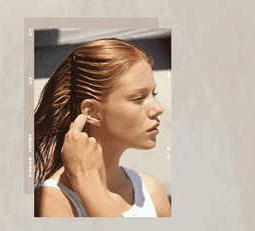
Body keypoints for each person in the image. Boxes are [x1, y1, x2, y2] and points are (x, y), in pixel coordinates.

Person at [34, 38, 171, 217]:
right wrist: (88, 184)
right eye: (138, 98)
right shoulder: (53, 201)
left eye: (153, 94)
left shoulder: (152, 193)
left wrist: (88, 184)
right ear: (91, 112)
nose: (158, 108)